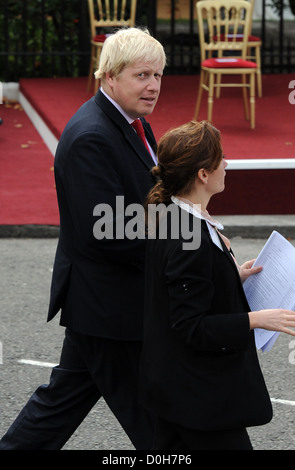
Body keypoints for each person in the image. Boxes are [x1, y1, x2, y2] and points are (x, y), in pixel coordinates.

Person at [0, 27, 166, 450]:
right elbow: (107, 233)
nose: (153, 86)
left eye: (158, 75)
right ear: (110, 76)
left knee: (58, 407)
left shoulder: (132, 122)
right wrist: (187, 254)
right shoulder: (92, 136)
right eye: (142, 75)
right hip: (110, 307)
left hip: (105, 305)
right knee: (158, 426)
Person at [140, 120, 295, 450]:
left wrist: (232, 276)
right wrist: (256, 319)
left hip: (175, 386)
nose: (227, 163)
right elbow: (191, 327)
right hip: (197, 395)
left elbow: (181, 291)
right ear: (202, 175)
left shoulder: (173, 215)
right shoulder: (189, 238)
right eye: (220, 158)